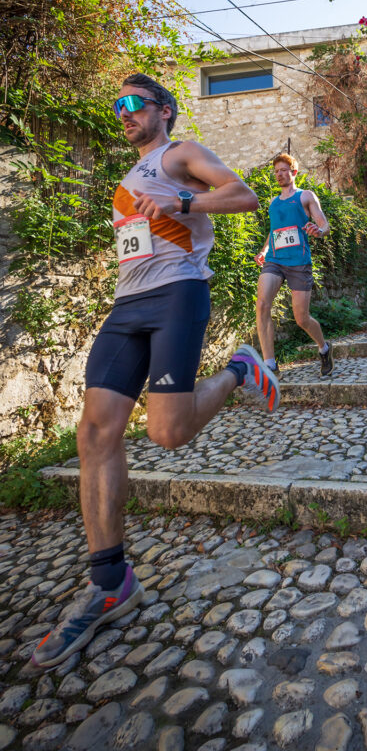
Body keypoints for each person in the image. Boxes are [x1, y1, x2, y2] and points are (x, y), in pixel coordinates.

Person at [32, 73, 280, 670]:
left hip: (178, 294)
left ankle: (241, 369)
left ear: (163, 110)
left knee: (167, 433)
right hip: (127, 304)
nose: (122, 113)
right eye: (116, 106)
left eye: (133, 104)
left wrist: (185, 200)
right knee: (94, 432)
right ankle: (110, 580)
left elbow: (245, 196)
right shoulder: (126, 179)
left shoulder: (181, 153)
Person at [255, 153, 333, 377]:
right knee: (262, 305)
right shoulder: (273, 202)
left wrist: (319, 231)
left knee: (301, 318)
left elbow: (324, 224)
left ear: (293, 172)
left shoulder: (305, 196)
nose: (279, 174)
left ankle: (324, 348)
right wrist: (264, 250)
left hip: (299, 263)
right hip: (275, 261)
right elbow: (274, 231)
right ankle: (270, 366)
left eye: (283, 170)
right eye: (276, 171)